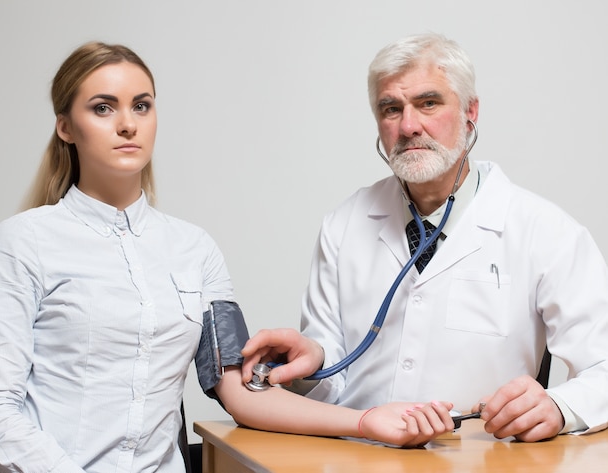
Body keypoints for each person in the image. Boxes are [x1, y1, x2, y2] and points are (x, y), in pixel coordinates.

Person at [0, 41, 464, 473]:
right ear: (66, 127)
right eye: (103, 108)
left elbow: (238, 391)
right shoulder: (24, 241)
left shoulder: (195, 250)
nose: (128, 123)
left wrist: (366, 421)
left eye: (142, 106)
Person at [242, 33, 608, 443]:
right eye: (391, 108)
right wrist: (314, 363)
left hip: (483, 462)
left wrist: (559, 407)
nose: (409, 125)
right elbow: (334, 387)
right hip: (360, 459)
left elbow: (604, 368)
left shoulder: (545, 231)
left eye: (428, 103)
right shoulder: (344, 225)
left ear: (471, 112)